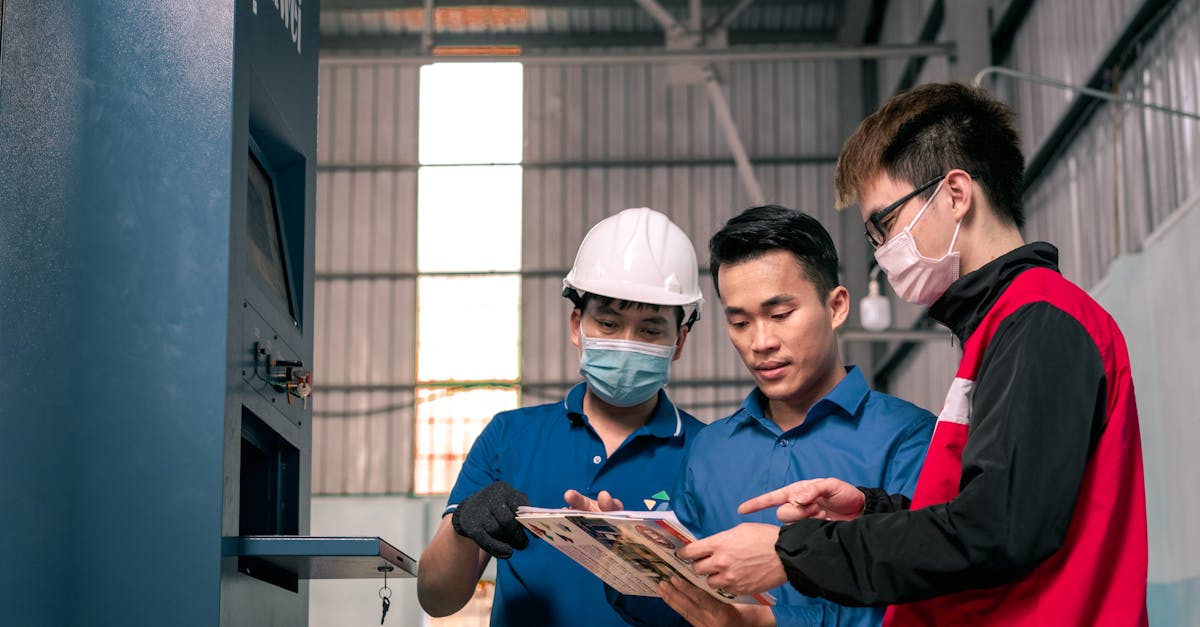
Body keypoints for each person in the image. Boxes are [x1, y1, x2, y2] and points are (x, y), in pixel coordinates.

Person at [678, 82, 1148, 626]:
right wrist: (869, 510)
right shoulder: (1005, 325)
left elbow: (998, 532)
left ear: (955, 194)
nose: (882, 253)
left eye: (885, 224)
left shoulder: (1038, 320)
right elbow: (997, 511)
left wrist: (792, 553)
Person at [607, 206, 936, 627]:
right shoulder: (710, 448)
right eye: (740, 322)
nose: (760, 342)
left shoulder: (908, 439)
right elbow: (681, 606)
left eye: (780, 315)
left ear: (836, 307)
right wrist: (626, 558)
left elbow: (924, 601)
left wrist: (768, 623)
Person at [416, 207, 708, 626]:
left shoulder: (711, 452)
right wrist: (463, 526)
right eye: (608, 323)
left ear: (679, 341)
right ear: (577, 325)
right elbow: (437, 598)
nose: (626, 343)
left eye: (649, 330)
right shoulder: (509, 438)